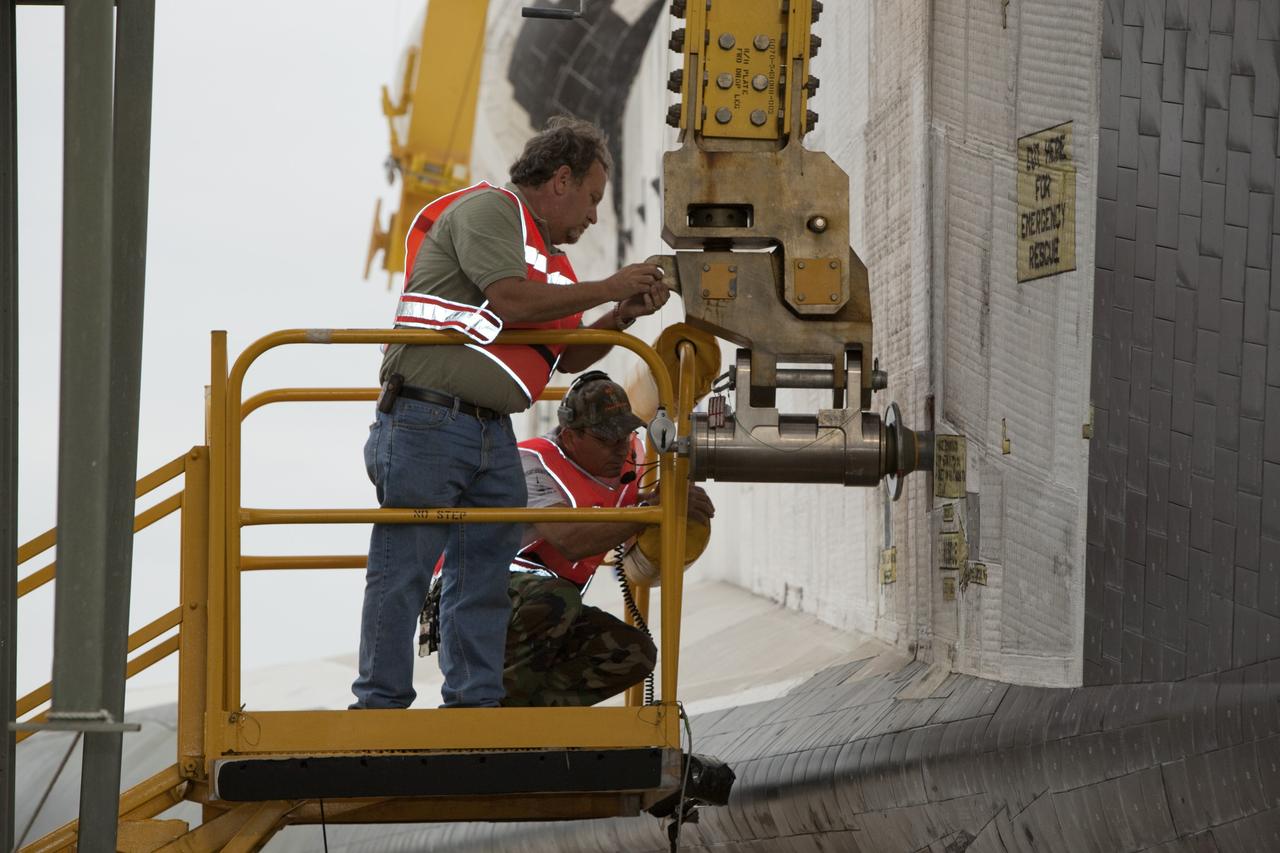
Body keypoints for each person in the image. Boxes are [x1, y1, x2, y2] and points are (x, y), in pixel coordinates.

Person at [351, 117, 670, 709]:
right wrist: (606, 286)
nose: (595, 216)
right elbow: (508, 300)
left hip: (488, 429)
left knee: (484, 570)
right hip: (428, 418)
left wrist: (620, 315)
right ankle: (379, 703)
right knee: (406, 565)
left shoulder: (552, 263)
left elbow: (570, 353)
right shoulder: (491, 211)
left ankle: (474, 703)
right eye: (593, 199)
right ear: (561, 178)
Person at [498, 371, 715, 707]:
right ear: (570, 436)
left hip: (549, 605)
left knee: (632, 652)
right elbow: (570, 541)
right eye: (606, 439)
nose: (620, 449)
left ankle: (527, 713)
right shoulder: (531, 462)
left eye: (625, 436)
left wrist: (676, 501)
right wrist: (649, 512)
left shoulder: (632, 462)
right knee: (558, 597)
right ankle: (492, 712)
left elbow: (647, 508)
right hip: (485, 593)